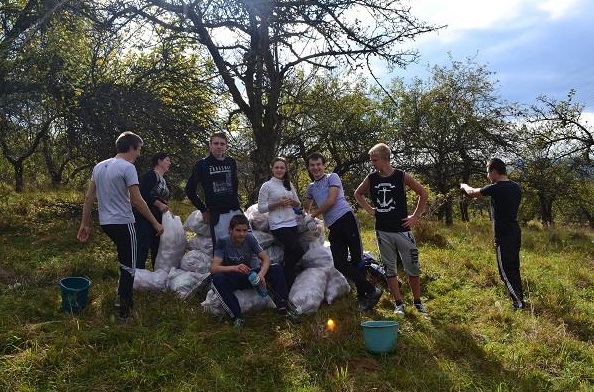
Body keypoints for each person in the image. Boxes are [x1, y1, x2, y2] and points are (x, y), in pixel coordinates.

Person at [77, 131, 164, 321]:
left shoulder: (99, 166)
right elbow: (138, 201)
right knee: (130, 267)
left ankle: (121, 299)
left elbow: (89, 196)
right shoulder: (128, 167)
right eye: (139, 149)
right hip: (124, 223)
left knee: (125, 261)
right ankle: (124, 311)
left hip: (106, 223)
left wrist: (85, 224)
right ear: (131, 148)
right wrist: (155, 222)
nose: (139, 154)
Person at [354, 143, 429, 315]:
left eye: (374, 160)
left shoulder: (401, 176)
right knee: (390, 269)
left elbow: (422, 193)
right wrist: (369, 209)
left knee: (413, 268)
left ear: (385, 159)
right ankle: (399, 304)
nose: (372, 163)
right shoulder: (371, 178)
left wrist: (416, 216)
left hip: (403, 230)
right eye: (371, 160)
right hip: (382, 230)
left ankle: (418, 302)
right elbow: (358, 194)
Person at [303, 152, 382, 311]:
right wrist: (307, 217)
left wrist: (312, 215)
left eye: (318, 164)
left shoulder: (333, 177)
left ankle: (363, 297)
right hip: (333, 226)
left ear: (323, 165)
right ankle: (371, 290)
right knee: (339, 262)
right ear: (309, 168)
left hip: (346, 219)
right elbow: (306, 207)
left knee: (357, 259)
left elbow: (331, 200)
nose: (316, 168)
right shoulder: (311, 187)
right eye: (312, 165)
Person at [210, 214, 300, 328]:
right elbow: (214, 268)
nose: (242, 234)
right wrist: (235, 268)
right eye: (238, 230)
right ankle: (237, 317)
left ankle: (283, 307)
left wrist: (261, 275)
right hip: (234, 277)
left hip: (251, 275)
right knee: (217, 278)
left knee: (277, 268)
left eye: (244, 230)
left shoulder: (250, 238)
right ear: (230, 230)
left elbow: (266, 259)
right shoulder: (223, 242)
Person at [460, 158, 526, 310]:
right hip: (515, 232)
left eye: (488, 171)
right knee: (513, 268)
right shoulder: (515, 187)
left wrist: (464, 186)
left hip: (503, 235)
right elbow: (489, 196)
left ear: (494, 170)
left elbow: (472, 193)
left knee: (505, 271)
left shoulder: (496, 188)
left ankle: (518, 303)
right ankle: (519, 299)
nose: (487, 175)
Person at [185, 131, 243, 247]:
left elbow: (235, 184)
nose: (219, 146)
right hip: (217, 214)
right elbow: (189, 190)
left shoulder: (231, 162)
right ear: (210, 145)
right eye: (216, 143)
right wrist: (203, 210)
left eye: (222, 144)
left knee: (243, 245)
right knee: (223, 249)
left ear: (226, 146)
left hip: (235, 211)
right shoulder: (202, 164)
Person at [257, 157, 305, 290]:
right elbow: (261, 208)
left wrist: (292, 202)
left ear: (286, 169)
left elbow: (298, 203)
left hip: (292, 223)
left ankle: (286, 287)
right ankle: (283, 272)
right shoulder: (267, 186)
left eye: (282, 168)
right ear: (271, 168)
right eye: (277, 167)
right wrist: (278, 203)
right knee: (298, 251)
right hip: (278, 225)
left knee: (290, 254)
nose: (279, 170)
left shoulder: (288, 184)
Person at [134, 152, 171, 269]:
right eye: (167, 160)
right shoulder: (151, 175)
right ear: (159, 161)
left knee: (157, 246)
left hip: (159, 218)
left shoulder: (163, 180)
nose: (170, 163)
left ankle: (156, 276)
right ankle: (137, 277)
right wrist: (158, 203)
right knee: (142, 246)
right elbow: (142, 193)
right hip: (145, 217)